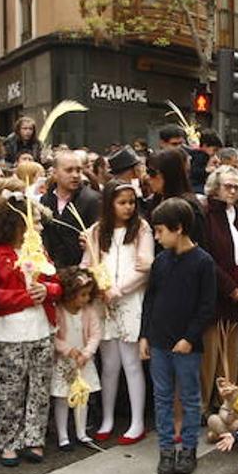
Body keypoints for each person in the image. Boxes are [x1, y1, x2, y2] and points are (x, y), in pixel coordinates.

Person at [0, 180, 61, 466]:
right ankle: (9, 441)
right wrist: (28, 297)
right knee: (9, 391)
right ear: (17, 223)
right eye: (35, 222)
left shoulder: (39, 251)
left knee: (39, 388)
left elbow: (56, 284)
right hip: (9, 333)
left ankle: (34, 438)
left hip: (42, 330)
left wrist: (47, 290)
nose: (40, 227)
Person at [141, 198, 216, 474]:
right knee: (161, 397)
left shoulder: (203, 262)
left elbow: (207, 306)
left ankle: (188, 449)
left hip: (186, 345)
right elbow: (150, 300)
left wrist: (190, 337)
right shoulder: (161, 261)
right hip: (159, 341)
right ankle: (166, 450)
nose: (157, 237)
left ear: (179, 228)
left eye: (161, 231)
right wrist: (144, 336)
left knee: (189, 397)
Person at [85, 182, 152, 444]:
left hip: (130, 300)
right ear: (109, 203)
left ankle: (137, 422)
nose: (128, 208)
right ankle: (107, 418)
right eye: (122, 202)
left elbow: (144, 267)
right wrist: (96, 285)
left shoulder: (141, 228)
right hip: (102, 302)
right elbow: (87, 263)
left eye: (131, 202)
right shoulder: (96, 231)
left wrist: (118, 289)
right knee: (109, 364)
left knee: (131, 363)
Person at [199, 167, 238, 415]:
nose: (232, 191)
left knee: (231, 352)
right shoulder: (206, 215)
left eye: (236, 187)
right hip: (216, 293)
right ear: (215, 188)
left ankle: (227, 403)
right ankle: (204, 404)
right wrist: (230, 288)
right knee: (210, 353)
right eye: (227, 186)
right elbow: (206, 257)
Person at [51, 267, 102, 451]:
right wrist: (67, 350)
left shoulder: (89, 312)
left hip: (83, 362)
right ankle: (63, 436)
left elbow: (95, 334)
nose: (86, 299)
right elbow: (53, 336)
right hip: (65, 362)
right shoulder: (58, 312)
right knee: (63, 398)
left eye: (88, 294)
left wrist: (87, 353)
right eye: (82, 295)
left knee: (82, 396)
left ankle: (81, 432)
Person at [40, 149, 101, 269]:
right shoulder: (45, 200)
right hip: (51, 269)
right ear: (55, 173)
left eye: (78, 170)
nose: (75, 175)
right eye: (69, 170)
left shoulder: (92, 200)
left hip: (81, 270)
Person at [143, 148, 205, 243]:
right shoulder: (154, 202)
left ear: (168, 174)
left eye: (152, 173)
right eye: (147, 171)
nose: (147, 178)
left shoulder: (189, 207)